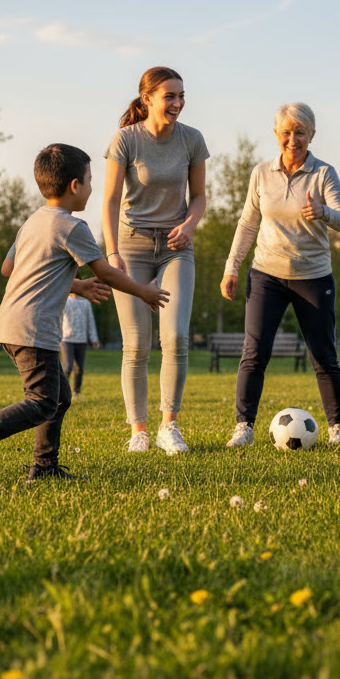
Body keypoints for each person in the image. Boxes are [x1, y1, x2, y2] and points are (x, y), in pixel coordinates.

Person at [0, 144, 169, 486]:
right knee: (41, 401)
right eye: (91, 180)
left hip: (12, 321)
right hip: (33, 327)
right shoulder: (71, 227)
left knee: (59, 398)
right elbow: (107, 272)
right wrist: (144, 291)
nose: (93, 188)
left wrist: (76, 286)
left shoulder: (32, 223)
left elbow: (10, 268)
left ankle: (45, 467)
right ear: (75, 186)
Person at [220, 102, 340, 447]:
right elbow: (248, 222)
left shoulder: (324, 174)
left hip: (313, 276)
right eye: (286, 133)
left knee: (323, 354)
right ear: (277, 134)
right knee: (254, 352)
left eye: (300, 133)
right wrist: (231, 267)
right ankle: (243, 427)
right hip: (266, 274)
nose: (293, 139)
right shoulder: (261, 173)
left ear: (311, 135)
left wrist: (322, 211)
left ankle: (337, 428)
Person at [102, 67, 208, 455]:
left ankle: (169, 425)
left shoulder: (192, 140)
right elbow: (111, 200)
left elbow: (198, 196)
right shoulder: (126, 140)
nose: (178, 103)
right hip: (131, 249)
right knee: (136, 344)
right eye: (170, 96)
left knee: (175, 336)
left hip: (176, 249)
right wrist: (112, 254)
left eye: (181, 96)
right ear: (147, 98)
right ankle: (139, 431)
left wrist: (190, 224)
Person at [61, 292, 100, 397]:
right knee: (67, 366)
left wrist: (94, 338)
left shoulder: (85, 302)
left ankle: (77, 392)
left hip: (81, 340)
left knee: (79, 368)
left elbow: (90, 321)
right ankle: (61, 392)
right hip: (66, 339)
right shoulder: (64, 301)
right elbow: (58, 319)